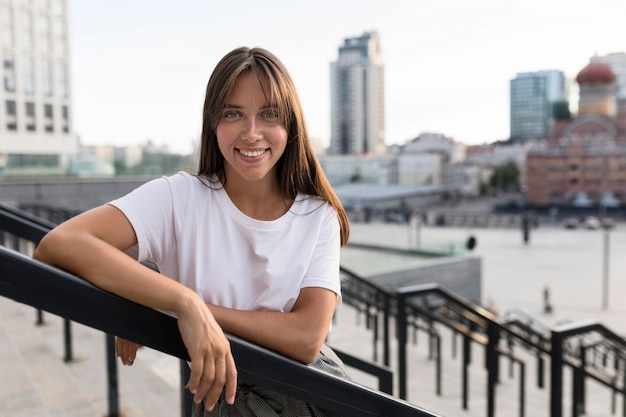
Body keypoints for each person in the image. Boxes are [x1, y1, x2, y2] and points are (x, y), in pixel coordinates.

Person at [33, 46, 351, 416]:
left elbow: (306, 339)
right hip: (222, 400)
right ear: (213, 121)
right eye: (234, 113)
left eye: (269, 114)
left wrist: (184, 309)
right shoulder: (180, 197)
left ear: (290, 125)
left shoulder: (317, 214)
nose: (251, 133)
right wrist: (181, 302)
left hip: (310, 394)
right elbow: (58, 245)